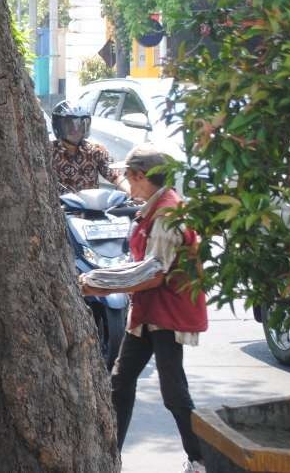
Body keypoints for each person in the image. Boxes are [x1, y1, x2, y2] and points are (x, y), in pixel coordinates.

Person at [79, 143, 208, 473]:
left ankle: (199, 460)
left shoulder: (167, 213)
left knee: (174, 392)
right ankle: (111, 459)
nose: (128, 186)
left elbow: (152, 274)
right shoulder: (154, 206)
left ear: (140, 176)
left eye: (130, 179)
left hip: (167, 313)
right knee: (120, 382)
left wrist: (100, 284)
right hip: (148, 313)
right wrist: (100, 279)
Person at [50, 100, 128, 193]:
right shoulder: (49, 152)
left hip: (90, 205)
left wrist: (132, 191)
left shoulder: (96, 150)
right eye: (70, 126)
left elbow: (114, 175)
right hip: (61, 206)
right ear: (58, 126)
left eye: (81, 126)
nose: (76, 131)